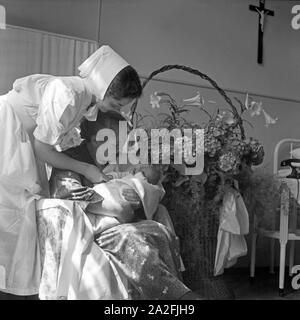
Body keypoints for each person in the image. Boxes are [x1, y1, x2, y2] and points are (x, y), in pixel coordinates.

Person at [0, 45, 142, 296]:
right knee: (10, 211)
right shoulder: (69, 93)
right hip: (8, 133)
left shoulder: (84, 99)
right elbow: (43, 149)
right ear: (105, 87)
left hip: (21, 138)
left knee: (17, 216)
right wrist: (88, 169)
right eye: (116, 102)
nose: (116, 109)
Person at [48, 113, 202, 300]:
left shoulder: (122, 159)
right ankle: (182, 298)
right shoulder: (71, 159)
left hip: (126, 219)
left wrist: (137, 196)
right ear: (98, 139)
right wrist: (114, 203)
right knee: (132, 238)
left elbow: (148, 185)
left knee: (159, 230)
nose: (125, 146)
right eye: (119, 140)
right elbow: (66, 194)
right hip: (92, 228)